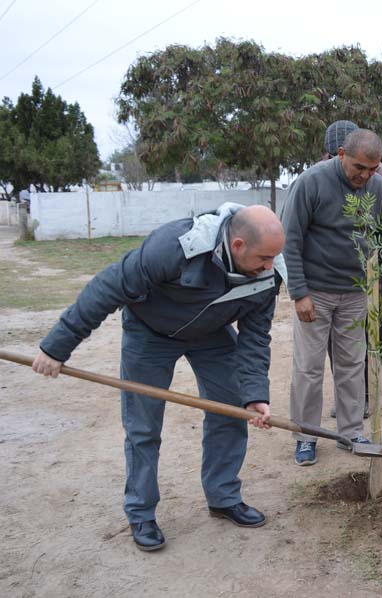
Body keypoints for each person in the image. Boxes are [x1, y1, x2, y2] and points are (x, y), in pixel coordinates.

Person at [31, 203, 286, 551]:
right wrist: (56, 347)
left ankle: (223, 496)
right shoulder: (175, 245)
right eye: (264, 257)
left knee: (230, 409)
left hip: (211, 334)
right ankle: (141, 512)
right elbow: (108, 286)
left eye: (274, 258)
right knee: (143, 426)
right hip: (149, 332)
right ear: (238, 245)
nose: (269, 266)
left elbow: (255, 338)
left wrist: (255, 392)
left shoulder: (268, 276)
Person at [281, 128, 382, 467]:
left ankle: (351, 432)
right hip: (314, 293)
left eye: (373, 169)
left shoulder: (376, 189)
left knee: (351, 365)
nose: (365, 176)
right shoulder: (310, 182)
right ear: (342, 154)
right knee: (309, 368)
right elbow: (290, 240)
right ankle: (306, 435)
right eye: (359, 167)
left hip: (356, 293)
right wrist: (299, 293)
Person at [321, 120, 382, 419]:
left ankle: (368, 395)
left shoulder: (381, 178)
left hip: (370, 276)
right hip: (333, 278)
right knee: (336, 344)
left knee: (370, 339)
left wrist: (357, 212)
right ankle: (347, 396)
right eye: (330, 157)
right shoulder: (319, 175)